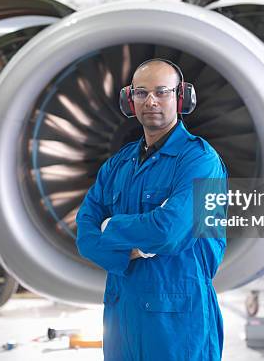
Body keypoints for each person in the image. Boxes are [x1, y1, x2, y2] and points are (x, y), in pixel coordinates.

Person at [76, 58, 228, 360]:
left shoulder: (202, 162)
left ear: (181, 97)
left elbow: (169, 231)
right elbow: (84, 235)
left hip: (178, 320)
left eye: (162, 92)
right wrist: (129, 245)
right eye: (141, 93)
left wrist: (110, 227)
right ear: (129, 99)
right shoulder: (119, 164)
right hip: (122, 318)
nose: (151, 101)